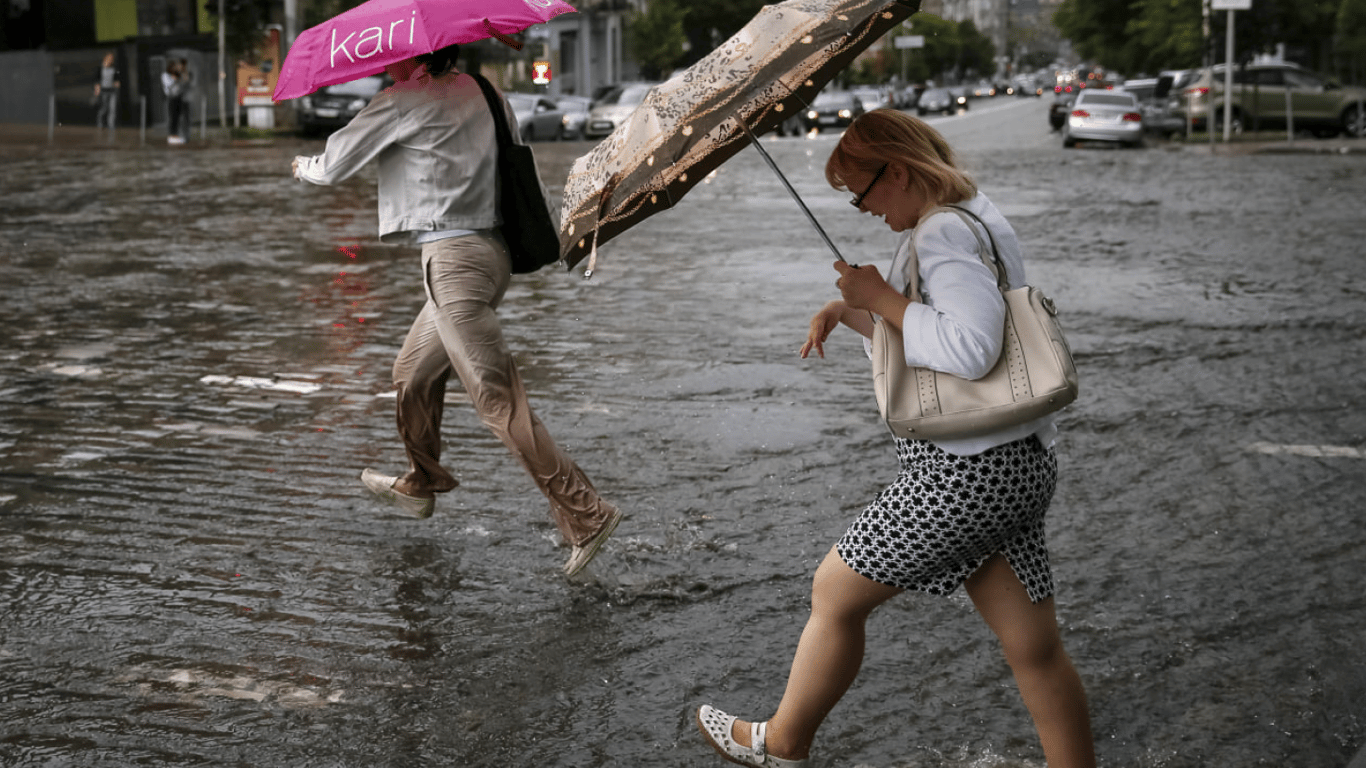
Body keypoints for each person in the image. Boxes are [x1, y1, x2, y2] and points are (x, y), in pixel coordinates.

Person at [696, 110, 1096, 768]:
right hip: (1018, 462)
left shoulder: (939, 232)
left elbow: (969, 350)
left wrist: (880, 297)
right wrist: (853, 309)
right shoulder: (973, 212)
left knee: (833, 591)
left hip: (965, 475)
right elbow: (942, 340)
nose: (861, 210)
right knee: (1033, 647)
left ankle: (784, 742)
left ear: (899, 171)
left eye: (862, 192)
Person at [290, 44, 622, 578]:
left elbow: (335, 165)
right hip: (492, 255)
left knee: (498, 400)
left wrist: (302, 166)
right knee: (413, 374)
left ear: (412, 56)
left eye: (388, 59)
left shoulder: (403, 99)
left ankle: (587, 513)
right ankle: (421, 482)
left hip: (452, 262)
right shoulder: (488, 92)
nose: (382, 66)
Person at [161, 59, 187, 145]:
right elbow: (168, 85)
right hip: (171, 97)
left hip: (178, 97)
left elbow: (184, 82)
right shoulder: (165, 75)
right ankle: (172, 135)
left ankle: (176, 135)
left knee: (178, 116)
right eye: (173, 67)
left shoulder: (176, 75)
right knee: (173, 116)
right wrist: (174, 79)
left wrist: (181, 74)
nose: (175, 69)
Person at [93, 52, 120, 131]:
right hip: (103, 91)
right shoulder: (100, 68)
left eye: (112, 59)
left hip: (112, 91)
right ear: (105, 59)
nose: (110, 61)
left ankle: (111, 124)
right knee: (104, 108)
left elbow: (117, 77)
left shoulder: (114, 69)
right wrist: (97, 89)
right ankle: (100, 121)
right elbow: (97, 79)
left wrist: (117, 83)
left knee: (113, 108)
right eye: (109, 59)